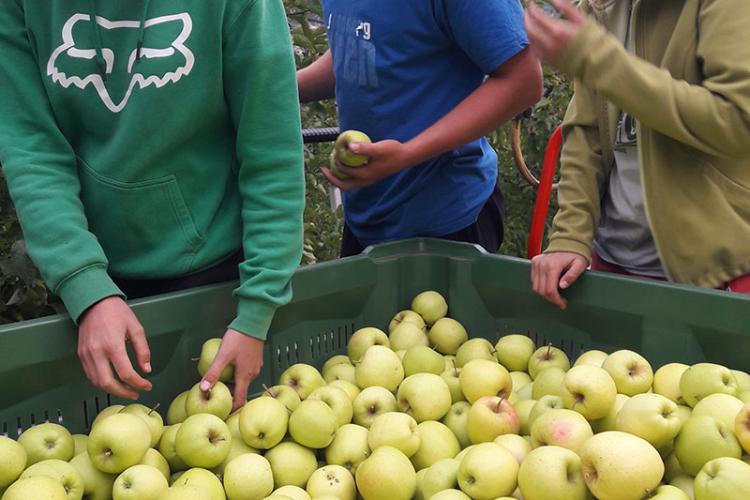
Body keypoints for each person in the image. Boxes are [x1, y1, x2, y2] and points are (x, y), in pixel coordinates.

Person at [0, 0, 304, 409]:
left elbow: (270, 152)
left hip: (215, 275)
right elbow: (32, 149)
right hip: (89, 266)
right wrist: (86, 287)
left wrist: (256, 310)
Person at [526, 0, 750, 308]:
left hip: (717, 271)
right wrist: (570, 235)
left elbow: (739, 121)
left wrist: (601, 63)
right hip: (616, 260)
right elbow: (587, 133)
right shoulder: (602, 6)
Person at [298, 0, 543, 257]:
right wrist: (280, 87)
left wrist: (407, 154)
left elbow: (524, 80)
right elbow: (363, 45)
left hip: (447, 218)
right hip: (367, 216)